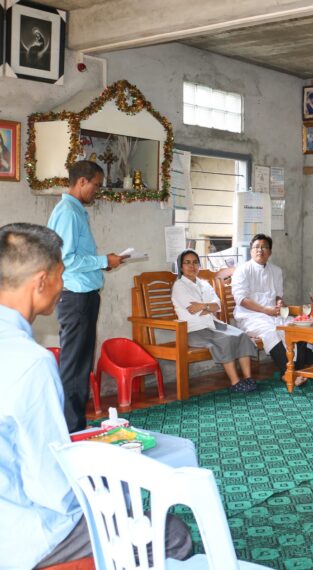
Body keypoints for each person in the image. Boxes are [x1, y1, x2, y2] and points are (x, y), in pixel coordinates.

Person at [0, 223, 193, 568]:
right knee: (171, 533)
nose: (63, 286)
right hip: (20, 530)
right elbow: (51, 490)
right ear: (42, 281)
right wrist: (105, 497)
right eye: (62, 274)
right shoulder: (31, 363)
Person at [47, 160, 126, 432]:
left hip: (84, 295)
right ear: (82, 181)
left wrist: (105, 262)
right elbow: (66, 259)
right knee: (74, 366)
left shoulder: (75, 211)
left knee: (80, 365)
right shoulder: (68, 212)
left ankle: (74, 423)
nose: (97, 190)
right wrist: (104, 259)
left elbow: (76, 256)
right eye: (96, 185)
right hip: (76, 297)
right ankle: (69, 429)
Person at [172, 250, 258, 392]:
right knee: (225, 339)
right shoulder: (179, 286)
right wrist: (207, 307)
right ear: (181, 267)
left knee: (241, 335)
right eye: (187, 263)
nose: (191, 266)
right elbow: (194, 310)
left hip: (213, 325)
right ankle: (235, 382)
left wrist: (204, 306)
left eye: (195, 262)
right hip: (194, 330)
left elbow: (217, 305)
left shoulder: (204, 283)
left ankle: (248, 378)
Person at [232, 234, 311, 384]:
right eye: (256, 247)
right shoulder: (242, 270)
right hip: (250, 316)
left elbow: (278, 296)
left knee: (298, 327)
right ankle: (288, 373)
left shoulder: (276, 270)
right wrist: (266, 310)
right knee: (270, 332)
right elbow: (241, 300)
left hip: (274, 314)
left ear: (270, 251)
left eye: (264, 247)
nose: (260, 250)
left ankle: (296, 370)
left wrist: (280, 303)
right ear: (251, 251)